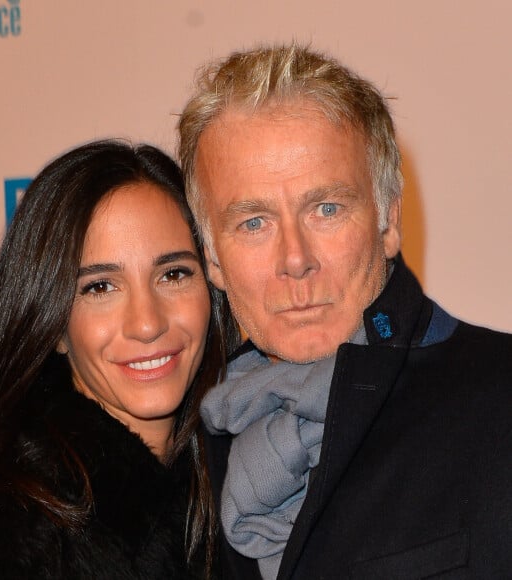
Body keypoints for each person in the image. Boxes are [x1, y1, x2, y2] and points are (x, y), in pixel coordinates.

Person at [178, 44, 512, 579]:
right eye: (254, 223)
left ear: (388, 222)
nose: (295, 260)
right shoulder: (189, 454)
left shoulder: (499, 400)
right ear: (213, 258)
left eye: (326, 208)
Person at [0, 140, 238, 578]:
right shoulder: (0, 527)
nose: (147, 323)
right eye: (100, 287)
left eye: (173, 274)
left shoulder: (247, 494)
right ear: (54, 327)